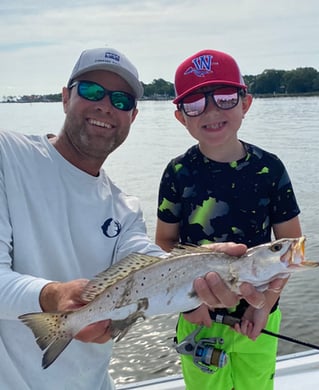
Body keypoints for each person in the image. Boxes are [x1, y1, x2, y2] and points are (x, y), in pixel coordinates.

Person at [0, 47, 269, 390]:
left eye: (121, 100)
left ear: (133, 116)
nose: (106, 106)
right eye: (92, 91)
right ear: (65, 97)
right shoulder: (8, 156)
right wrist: (51, 295)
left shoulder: (124, 208)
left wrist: (201, 271)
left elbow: (149, 265)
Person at [156, 49, 302, 390]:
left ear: (245, 103)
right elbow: (164, 243)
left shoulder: (271, 169)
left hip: (260, 317)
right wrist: (188, 306)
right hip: (196, 317)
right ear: (181, 117)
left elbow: (292, 249)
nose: (210, 111)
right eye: (194, 104)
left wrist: (263, 305)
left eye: (223, 97)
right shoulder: (177, 172)